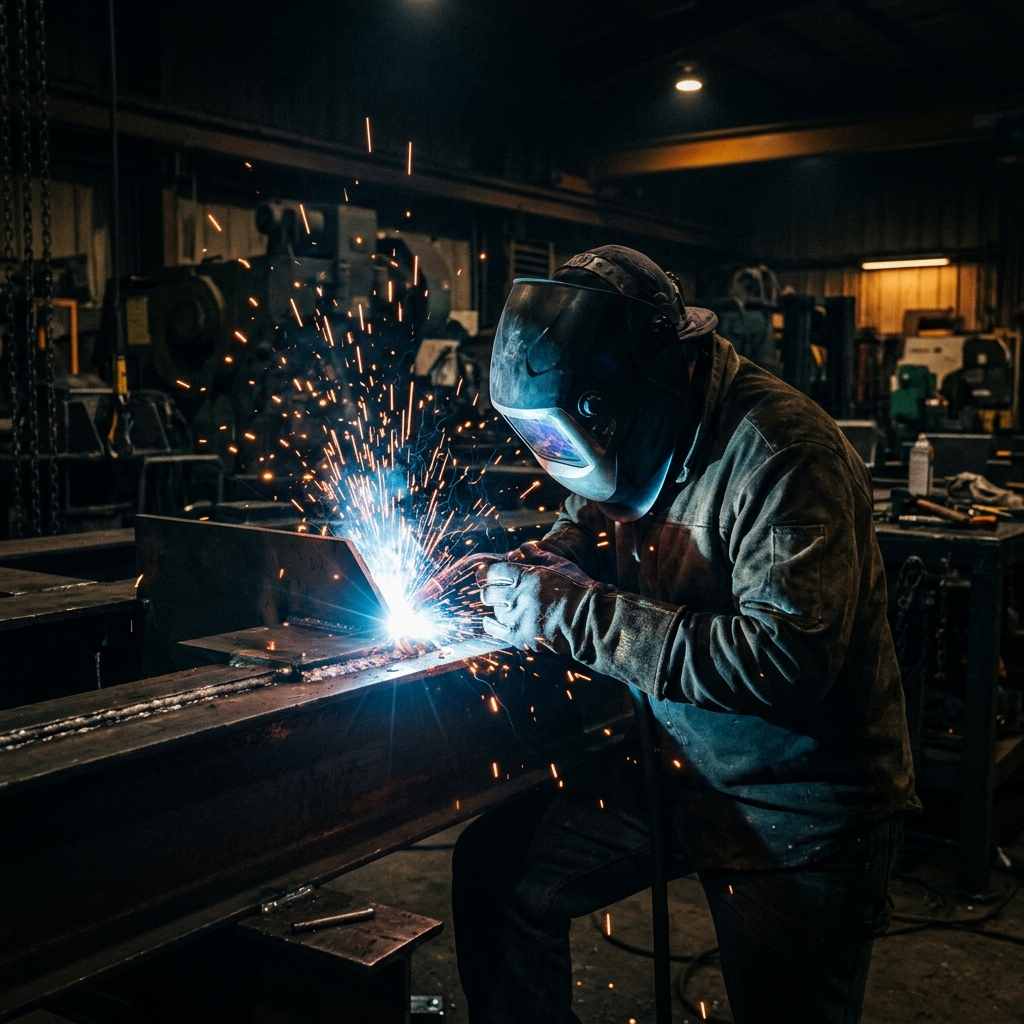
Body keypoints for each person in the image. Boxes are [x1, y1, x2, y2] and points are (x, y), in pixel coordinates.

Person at [453, 246, 919, 1023]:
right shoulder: (628, 424)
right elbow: (587, 531)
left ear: (664, 374)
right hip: (677, 765)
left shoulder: (784, 454)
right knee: (499, 872)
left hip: (799, 806)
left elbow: (787, 660)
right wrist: (521, 573)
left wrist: (569, 611)